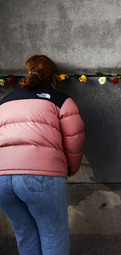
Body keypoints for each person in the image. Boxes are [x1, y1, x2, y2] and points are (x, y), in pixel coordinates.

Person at [0, 55, 85, 255]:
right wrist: (71, 168)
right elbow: (75, 138)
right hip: (42, 177)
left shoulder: (4, 102)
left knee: (25, 235)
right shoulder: (61, 100)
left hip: (2, 178)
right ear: (53, 78)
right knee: (53, 235)